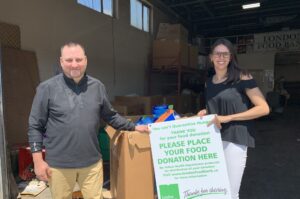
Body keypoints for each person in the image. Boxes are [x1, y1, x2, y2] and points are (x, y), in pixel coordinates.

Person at [28, 42, 148, 199]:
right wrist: (38, 162)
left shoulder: (97, 87)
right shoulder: (47, 89)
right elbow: (35, 126)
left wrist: (134, 127)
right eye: (69, 60)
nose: (74, 64)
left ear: (85, 60)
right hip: (59, 166)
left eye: (78, 60)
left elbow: (110, 115)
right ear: (61, 61)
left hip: (92, 164)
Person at [197, 38, 269, 199]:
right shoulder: (209, 83)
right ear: (211, 57)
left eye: (225, 54)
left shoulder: (242, 77)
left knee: (230, 193)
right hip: (214, 139)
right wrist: (205, 111)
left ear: (231, 57)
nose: (221, 57)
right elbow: (216, 109)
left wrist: (228, 118)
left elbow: (264, 108)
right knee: (215, 191)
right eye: (217, 54)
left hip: (235, 138)